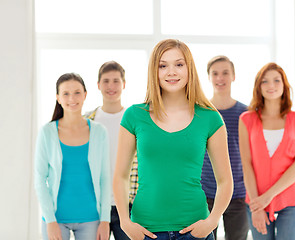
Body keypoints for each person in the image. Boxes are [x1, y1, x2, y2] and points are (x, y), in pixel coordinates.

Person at [113, 39, 234, 240]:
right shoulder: (134, 116)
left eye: (179, 64)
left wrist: (212, 221)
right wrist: (125, 222)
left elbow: (225, 180)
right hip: (145, 231)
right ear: (154, 71)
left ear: (189, 70)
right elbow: (120, 176)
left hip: (195, 230)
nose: (171, 72)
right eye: (163, 65)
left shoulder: (210, 118)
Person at [34, 73, 111, 240]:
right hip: (56, 219)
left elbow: (105, 178)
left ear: (85, 95)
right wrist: (50, 220)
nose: (72, 98)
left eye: (77, 92)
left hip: (91, 219)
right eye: (66, 94)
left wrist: (105, 220)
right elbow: (40, 179)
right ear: (58, 98)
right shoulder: (47, 132)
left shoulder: (99, 132)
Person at [238, 63, 295, 240]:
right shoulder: (247, 119)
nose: (271, 86)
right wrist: (257, 205)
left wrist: (267, 197)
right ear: (258, 87)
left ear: (284, 85)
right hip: (256, 200)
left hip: (291, 199)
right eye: (265, 81)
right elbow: (246, 164)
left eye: (276, 80)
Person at [84, 61, 137, 239]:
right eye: (106, 81)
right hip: (94, 205)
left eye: (116, 81)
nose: (111, 86)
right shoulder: (87, 121)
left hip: (130, 204)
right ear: (98, 85)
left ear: (124, 84)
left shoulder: (135, 120)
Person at [201, 55, 248, 240]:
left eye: (225, 73)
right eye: (215, 73)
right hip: (205, 193)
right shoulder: (201, 111)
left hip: (238, 195)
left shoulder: (246, 113)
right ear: (209, 77)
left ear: (233, 76)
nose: (220, 78)